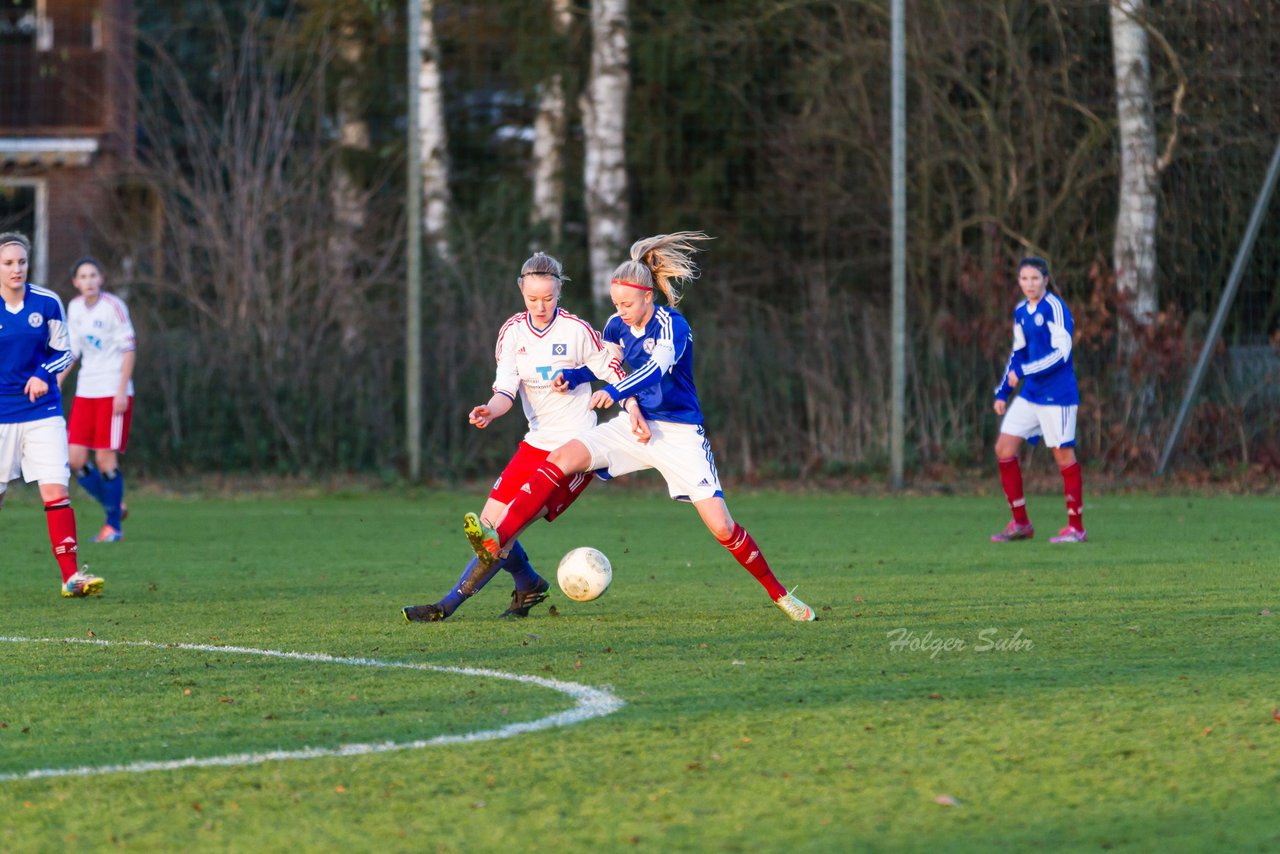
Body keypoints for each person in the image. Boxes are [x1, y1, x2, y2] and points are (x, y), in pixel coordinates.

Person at [461, 232, 816, 622]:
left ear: (649, 296)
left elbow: (653, 371)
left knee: (722, 526)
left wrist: (614, 392)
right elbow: (604, 365)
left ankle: (781, 594)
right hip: (635, 426)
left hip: (678, 435)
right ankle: (497, 539)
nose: (621, 311)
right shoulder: (615, 326)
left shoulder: (672, 326)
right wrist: (575, 376)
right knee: (563, 455)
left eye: (627, 304)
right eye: (616, 304)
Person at [403, 252, 626, 622]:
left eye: (549, 298)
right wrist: (491, 409)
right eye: (533, 298)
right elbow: (506, 390)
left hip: (576, 449)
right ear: (522, 290)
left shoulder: (577, 330)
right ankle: (529, 584)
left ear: (560, 293)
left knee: (501, 534)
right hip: (535, 444)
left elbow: (613, 371)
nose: (541, 306)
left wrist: (623, 402)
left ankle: (446, 606)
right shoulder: (512, 332)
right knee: (488, 527)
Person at [0, 233, 103, 597]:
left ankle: (71, 577)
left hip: (42, 413)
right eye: (8, 263)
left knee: (56, 491)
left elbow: (64, 352)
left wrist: (43, 375)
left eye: (21, 262)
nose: (16, 269)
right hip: (1, 417)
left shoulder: (46, 302)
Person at [990, 255, 1086, 544]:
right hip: (1031, 394)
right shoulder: (1021, 311)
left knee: (1063, 456)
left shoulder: (1055, 307)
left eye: (1035, 278)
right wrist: (1003, 391)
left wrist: (1025, 370)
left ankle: (1076, 528)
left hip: (1058, 396)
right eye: (1024, 279)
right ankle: (1021, 523)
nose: (1029, 284)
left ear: (1045, 279)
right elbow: (1018, 354)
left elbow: (1062, 354)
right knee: (1004, 448)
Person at [62, 256, 136, 543]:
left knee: (106, 459)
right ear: (75, 282)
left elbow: (129, 350)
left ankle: (113, 526)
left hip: (112, 390)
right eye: (83, 276)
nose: (89, 280)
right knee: (74, 460)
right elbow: (73, 351)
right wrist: (54, 381)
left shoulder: (114, 307)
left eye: (93, 275)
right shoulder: (75, 308)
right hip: (86, 391)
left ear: (101, 279)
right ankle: (115, 505)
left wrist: (121, 391)